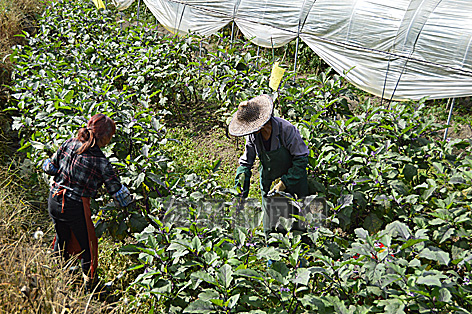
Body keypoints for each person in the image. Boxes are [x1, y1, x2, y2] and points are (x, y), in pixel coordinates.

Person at [42, 113, 132, 290]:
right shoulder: (101, 161)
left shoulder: (69, 143)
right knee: (88, 247)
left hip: (54, 199)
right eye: (111, 136)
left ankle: (58, 277)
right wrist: (132, 204)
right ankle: (89, 287)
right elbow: (117, 191)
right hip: (75, 205)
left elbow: (50, 167)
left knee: (62, 237)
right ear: (105, 138)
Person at [229, 95, 309, 233]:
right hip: (269, 181)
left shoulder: (286, 130)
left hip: (293, 181)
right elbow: (246, 163)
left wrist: (284, 183)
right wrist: (240, 193)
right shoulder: (253, 136)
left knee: (297, 224)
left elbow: (301, 159)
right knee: (271, 227)